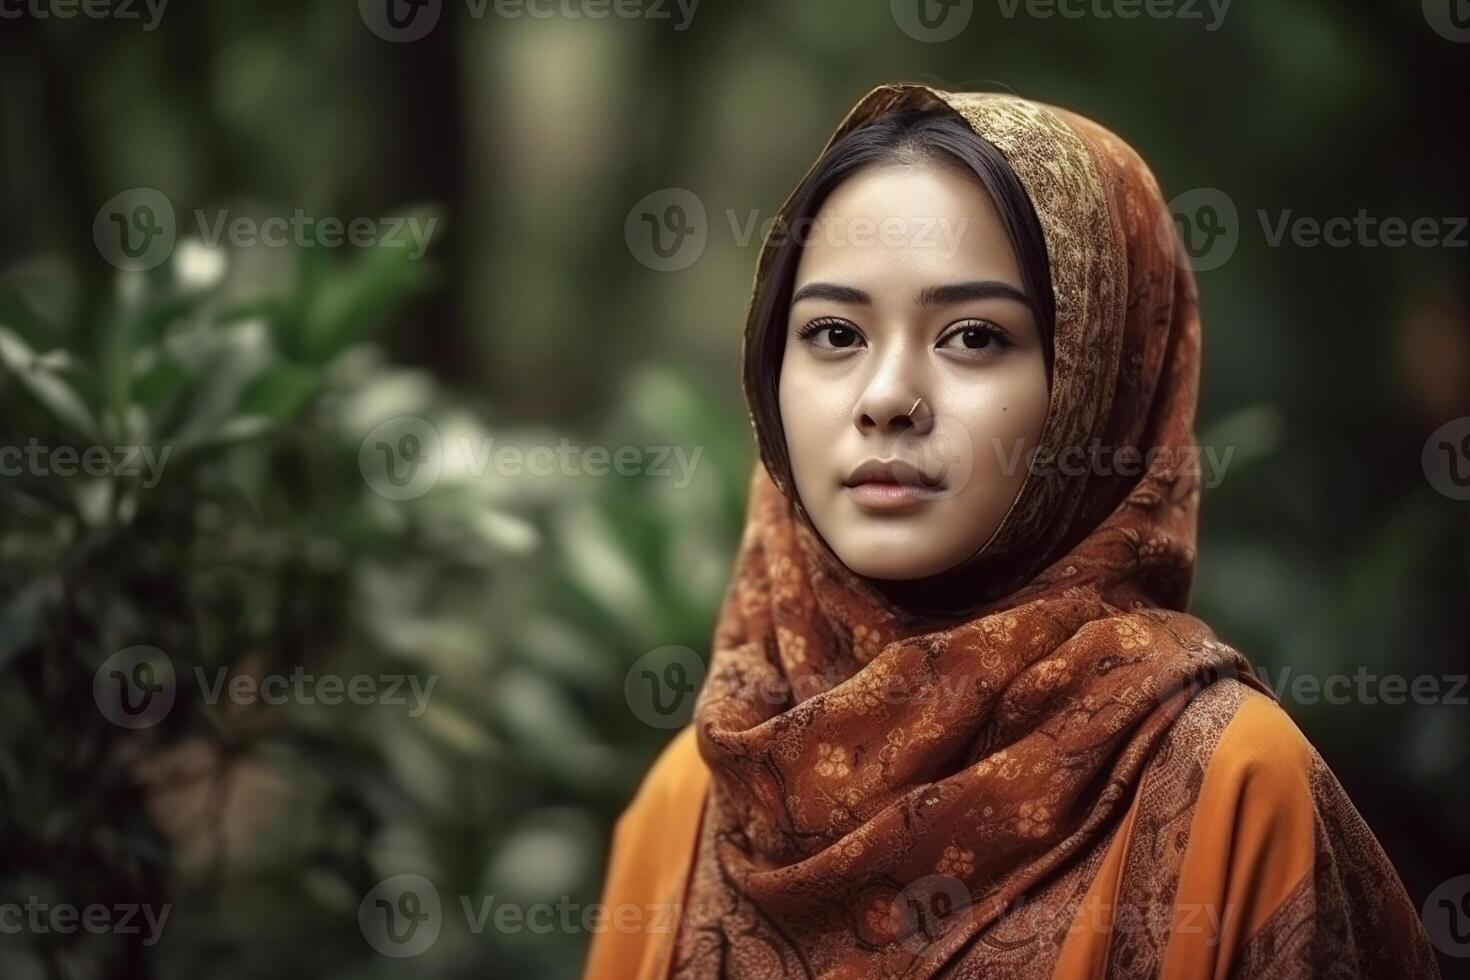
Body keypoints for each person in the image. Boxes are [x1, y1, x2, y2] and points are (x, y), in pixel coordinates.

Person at [583, 82, 1443, 980]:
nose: (886, 399)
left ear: (1099, 383)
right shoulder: (695, 801)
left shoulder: (1232, 790)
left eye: (973, 337)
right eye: (835, 332)